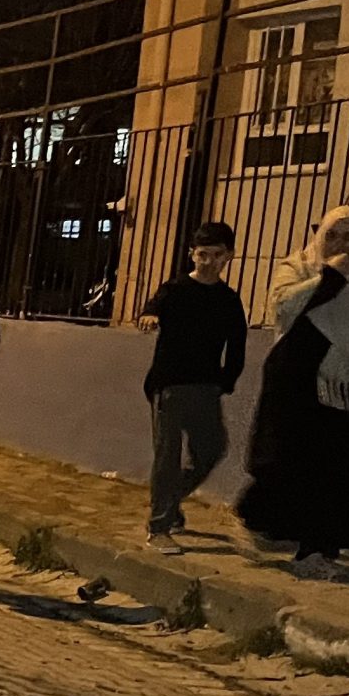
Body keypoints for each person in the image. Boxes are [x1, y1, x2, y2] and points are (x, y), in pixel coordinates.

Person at [236, 206, 349, 579]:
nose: (340, 244)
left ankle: (317, 549)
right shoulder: (298, 266)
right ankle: (281, 531)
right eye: (332, 234)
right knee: (290, 464)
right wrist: (328, 276)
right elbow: (282, 307)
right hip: (297, 380)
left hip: (346, 385)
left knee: (334, 472)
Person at [135, 220, 247, 555]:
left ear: (229, 255)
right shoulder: (175, 289)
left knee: (211, 449)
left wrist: (225, 382)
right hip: (169, 384)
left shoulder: (228, 300)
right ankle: (159, 527)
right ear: (191, 254)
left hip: (206, 387)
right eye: (202, 254)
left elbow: (237, 346)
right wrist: (150, 317)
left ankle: (170, 501)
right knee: (167, 456)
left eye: (216, 255)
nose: (208, 261)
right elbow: (152, 308)